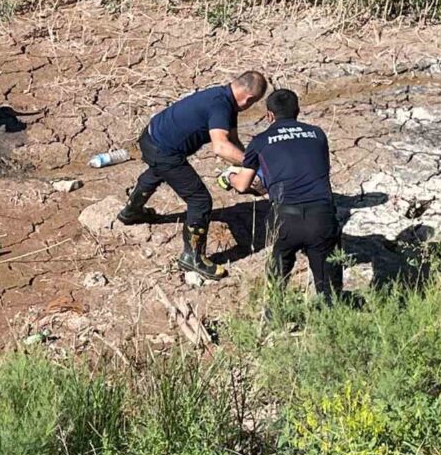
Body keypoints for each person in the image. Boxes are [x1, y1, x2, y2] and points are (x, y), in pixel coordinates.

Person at [118, 71, 267, 280]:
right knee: (200, 200)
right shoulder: (221, 106)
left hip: (151, 135)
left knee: (157, 171)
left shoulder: (223, 97)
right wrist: (254, 166)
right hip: (163, 150)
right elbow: (221, 147)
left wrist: (246, 169)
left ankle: (131, 212)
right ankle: (193, 257)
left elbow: (232, 140)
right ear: (250, 99)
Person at [225, 89, 343, 301]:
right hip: (321, 217)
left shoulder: (260, 141)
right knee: (330, 292)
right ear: (297, 111)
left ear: (269, 115)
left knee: (278, 276)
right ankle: (331, 318)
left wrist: (228, 178)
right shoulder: (317, 134)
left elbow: (243, 185)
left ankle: (274, 318)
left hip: (286, 220)